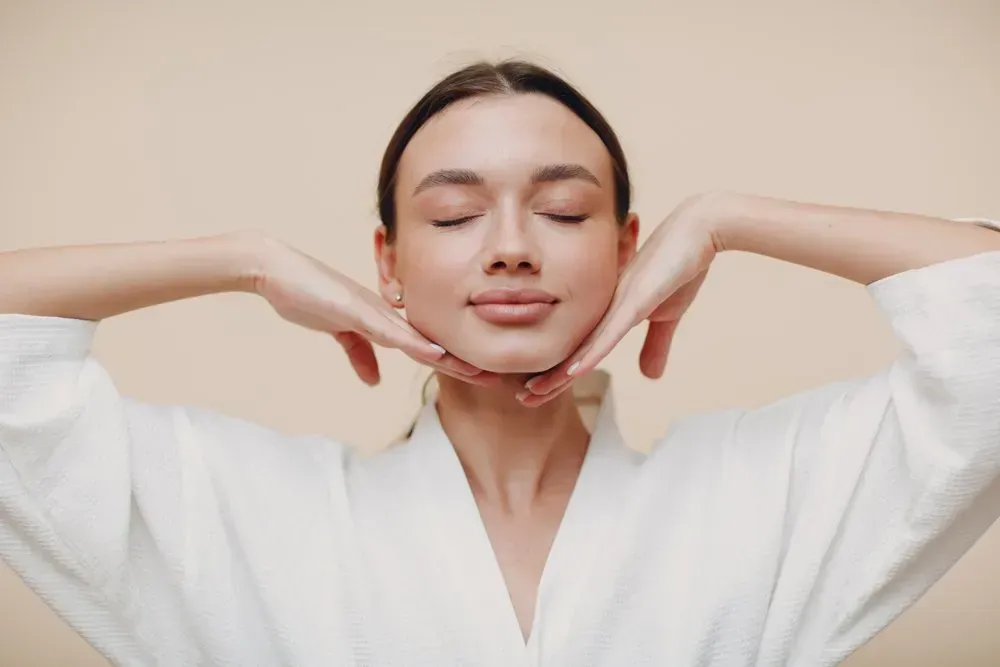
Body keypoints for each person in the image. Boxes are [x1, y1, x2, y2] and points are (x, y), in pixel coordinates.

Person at [1, 59, 998, 667]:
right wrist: (243, 259)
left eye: (564, 210)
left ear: (629, 246)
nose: (512, 245)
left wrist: (730, 219)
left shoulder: (754, 492)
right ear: (386, 260)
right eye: (452, 213)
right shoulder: (243, 508)